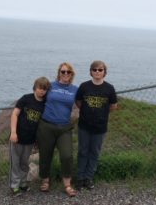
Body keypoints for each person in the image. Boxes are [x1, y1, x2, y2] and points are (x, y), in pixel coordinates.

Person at [37, 62, 78, 197]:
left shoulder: (75, 89)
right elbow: (38, 96)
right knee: (45, 155)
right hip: (46, 126)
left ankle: (67, 184)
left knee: (67, 156)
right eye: (63, 71)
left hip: (64, 127)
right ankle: (45, 180)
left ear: (72, 74)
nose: (65, 74)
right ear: (59, 73)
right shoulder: (51, 86)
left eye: (68, 72)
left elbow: (81, 105)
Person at [75, 60, 118, 190]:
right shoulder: (84, 86)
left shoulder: (109, 88)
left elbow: (113, 106)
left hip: (100, 127)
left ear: (104, 72)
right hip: (84, 126)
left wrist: (101, 114)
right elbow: (78, 102)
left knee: (94, 152)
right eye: (95, 70)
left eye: (100, 70)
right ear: (91, 72)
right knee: (82, 151)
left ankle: (89, 178)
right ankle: (80, 178)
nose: (97, 72)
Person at [9, 76, 51, 196]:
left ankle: (23, 183)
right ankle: (14, 185)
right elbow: (15, 114)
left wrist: (37, 140)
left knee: (24, 162)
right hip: (17, 137)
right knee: (15, 162)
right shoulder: (26, 99)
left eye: (45, 89)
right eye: (40, 88)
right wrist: (13, 132)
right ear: (35, 88)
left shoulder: (44, 104)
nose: (42, 91)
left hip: (30, 139)